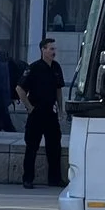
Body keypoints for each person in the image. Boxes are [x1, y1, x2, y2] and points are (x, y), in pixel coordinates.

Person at [19, 38, 67, 190]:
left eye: (54, 49)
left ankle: (55, 179)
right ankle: (27, 179)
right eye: (51, 49)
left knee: (54, 147)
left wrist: (61, 108)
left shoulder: (56, 67)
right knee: (32, 146)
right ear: (43, 50)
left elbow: (59, 90)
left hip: (51, 113)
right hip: (37, 113)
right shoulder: (33, 68)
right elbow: (20, 89)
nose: (54, 52)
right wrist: (29, 107)